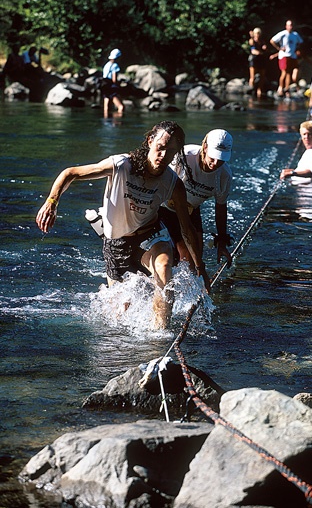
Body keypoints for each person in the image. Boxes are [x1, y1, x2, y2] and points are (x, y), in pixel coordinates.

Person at [36, 121, 209, 329]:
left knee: (164, 268)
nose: (163, 155)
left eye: (170, 152)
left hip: (150, 235)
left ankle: (160, 335)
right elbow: (70, 173)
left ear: (176, 155)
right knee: (119, 315)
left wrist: (200, 267)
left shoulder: (173, 184)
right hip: (116, 242)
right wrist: (52, 202)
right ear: (150, 141)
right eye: (160, 148)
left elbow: (186, 228)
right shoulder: (121, 165)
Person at [159, 129, 233, 270]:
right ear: (205, 147)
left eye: (222, 159)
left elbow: (221, 207)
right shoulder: (184, 156)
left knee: (196, 262)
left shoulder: (224, 176)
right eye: (212, 157)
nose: (216, 163)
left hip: (191, 210)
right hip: (163, 208)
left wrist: (222, 241)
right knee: (182, 256)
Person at [270, 20, 303, 96]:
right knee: (284, 73)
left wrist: (297, 49)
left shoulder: (295, 34)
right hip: (284, 55)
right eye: (289, 25)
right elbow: (272, 41)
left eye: (291, 25)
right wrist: (279, 48)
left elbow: (301, 42)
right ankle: (280, 88)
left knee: (289, 73)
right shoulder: (283, 33)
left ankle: (287, 88)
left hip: (292, 56)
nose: (290, 27)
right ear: (286, 26)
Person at [101, 48, 124, 117]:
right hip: (111, 87)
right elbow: (114, 80)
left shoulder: (106, 65)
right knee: (121, 107)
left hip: (104, 85)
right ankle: (118, 121)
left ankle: (106, 121)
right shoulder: (115, 65)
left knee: (106, 108)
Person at [248, 28, 268, 98]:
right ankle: (251, 90)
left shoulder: (262, 41)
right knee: (252, 77)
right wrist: (259, 52)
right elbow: (253, 50)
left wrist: (264, 48)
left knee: (262, 76)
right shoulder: (252, 41)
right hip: (254, 60)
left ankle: (259, 90)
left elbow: (265, 48)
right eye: (256, 33)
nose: (258, 35)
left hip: (261, 60)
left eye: (259, 33)